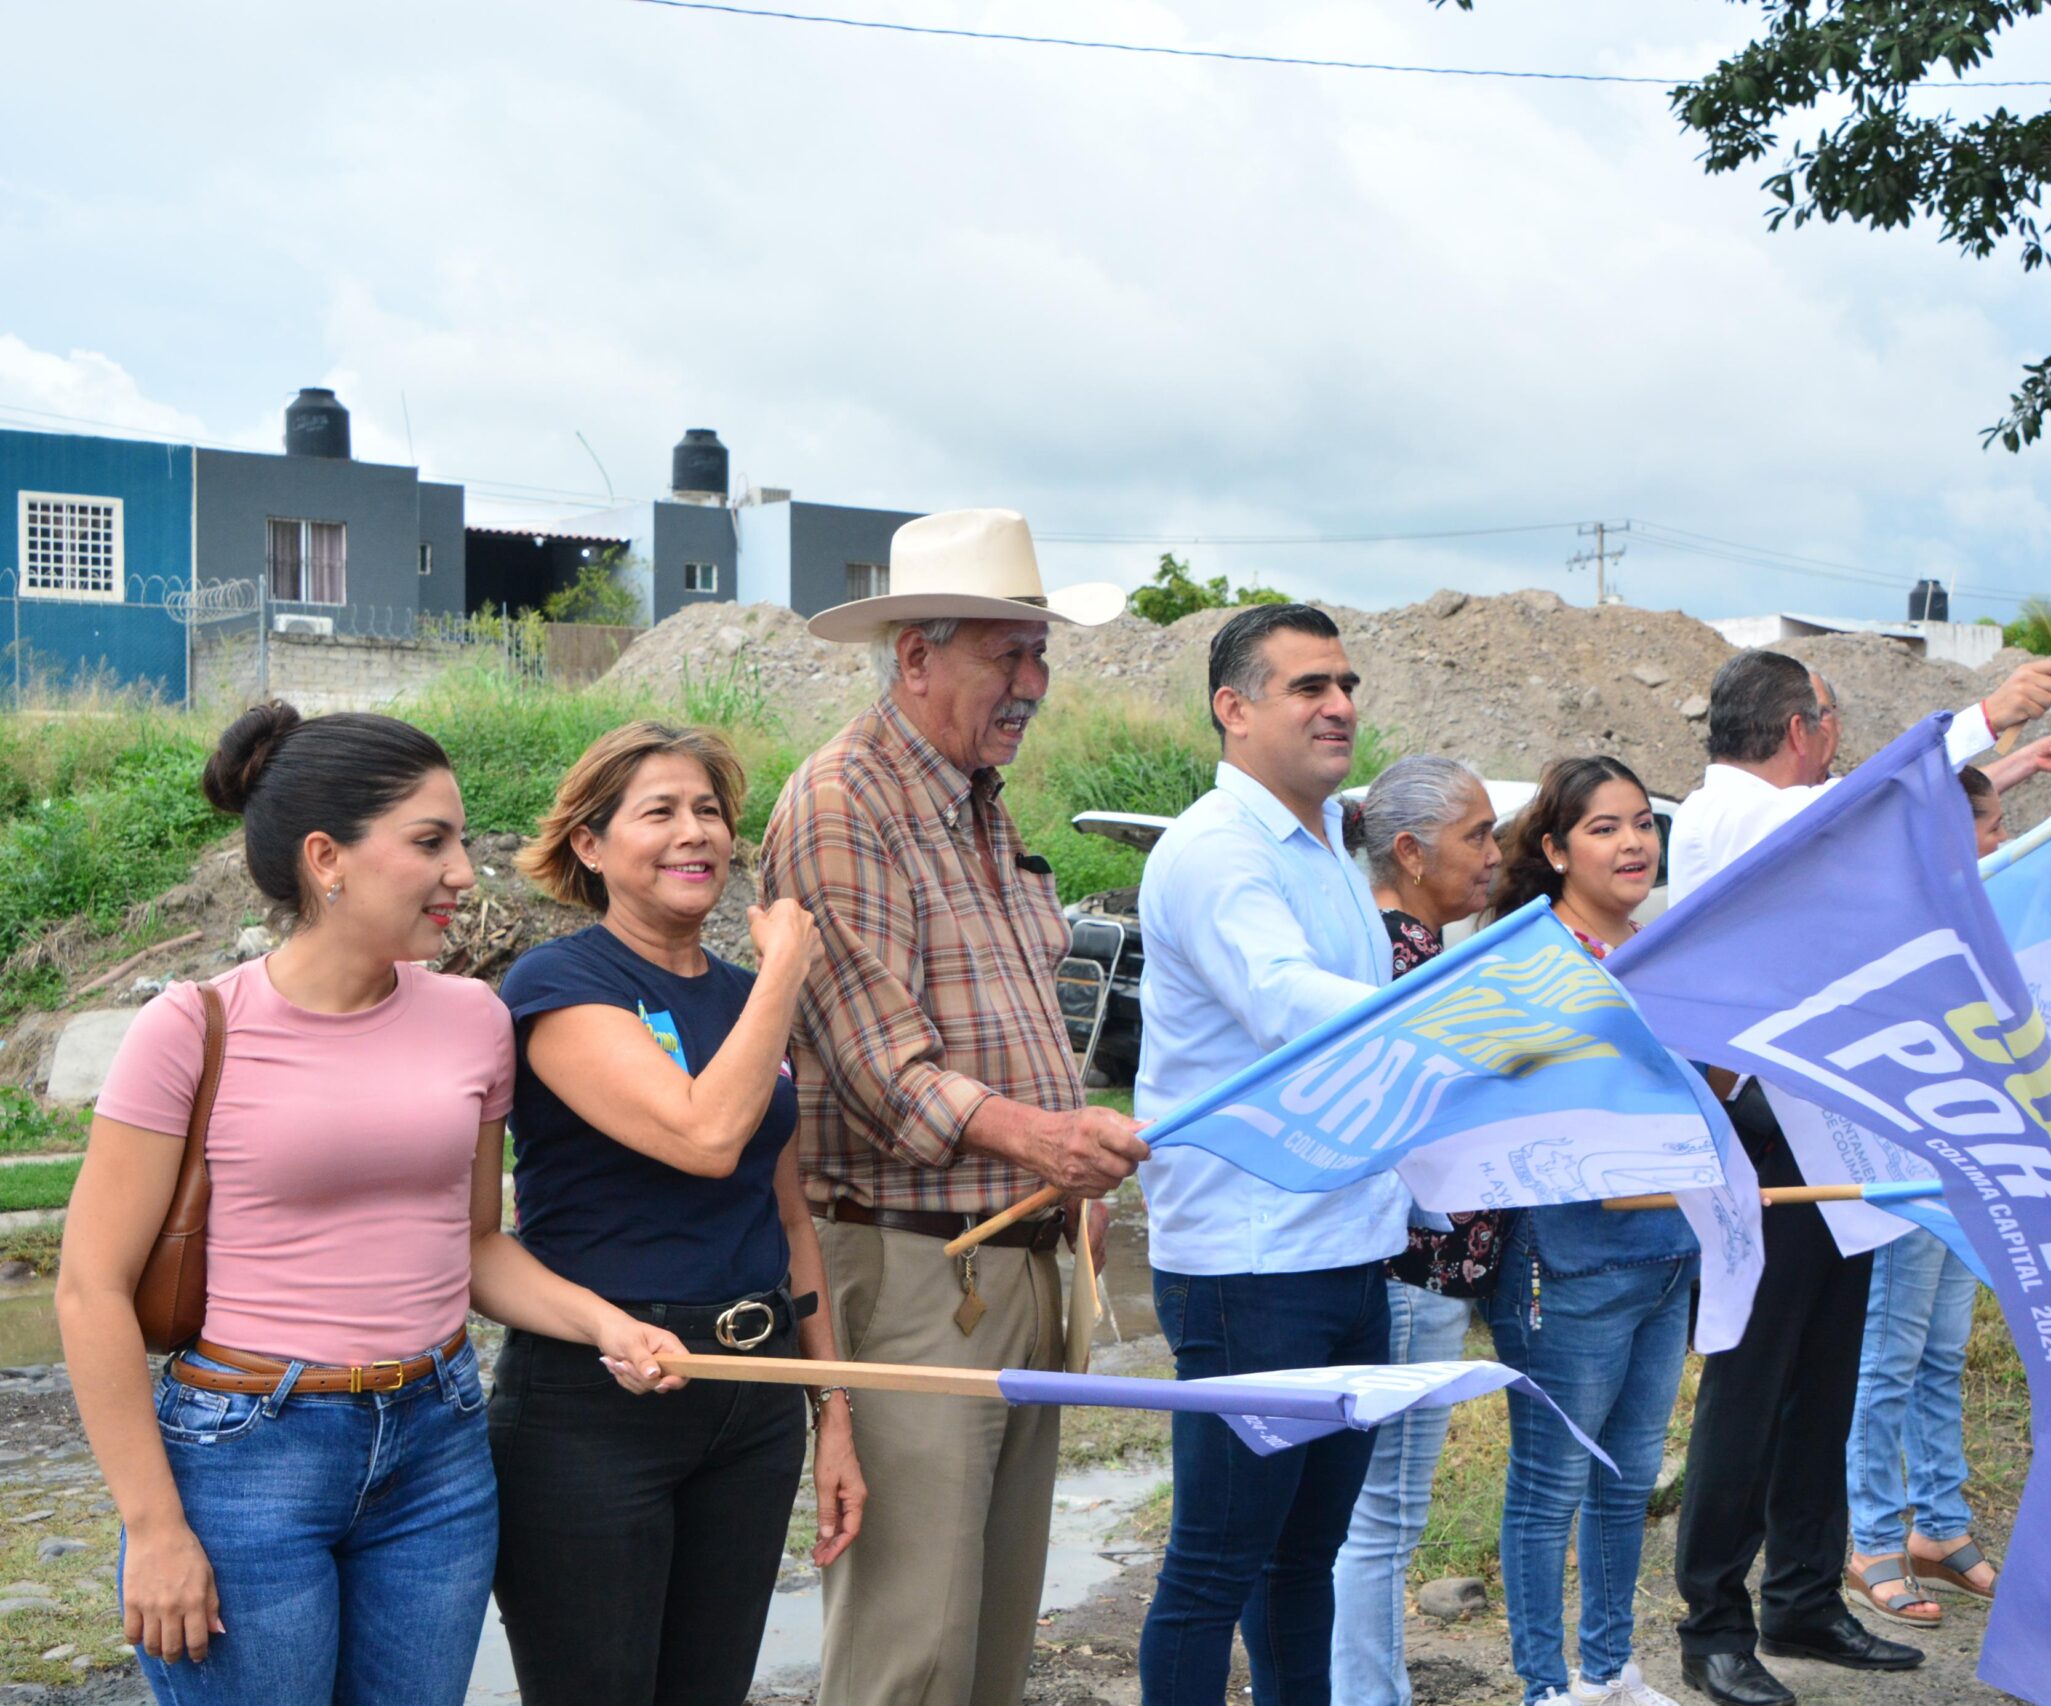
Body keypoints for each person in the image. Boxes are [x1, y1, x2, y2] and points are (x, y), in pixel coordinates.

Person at [56, 704, 685, 1706]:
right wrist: (153, 1525)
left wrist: (609, 1323)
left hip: (438, 1447)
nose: (465, 871)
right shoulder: (191, 1026)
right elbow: (91, 1288)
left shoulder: (473, 1019)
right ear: (326, 859)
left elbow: (474, 1244)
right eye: (430, 841)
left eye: (461, 841)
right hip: (246, 1453)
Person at [763, 508, 1149, 1706]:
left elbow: (1014, 1024)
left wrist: (1064, 1180)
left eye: (1039, 654)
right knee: (912, 1646)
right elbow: (881, 1067)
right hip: (913, 1271)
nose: (1031, 683)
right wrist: (1045, 1139)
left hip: (1012, 1257)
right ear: (915, 655)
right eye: (1005, 654)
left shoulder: (979, 801)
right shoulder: (844, 801)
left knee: (987, 1642)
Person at [1669, 649, 2051, 1706]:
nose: (1836, 745)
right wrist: (1985, 715)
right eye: (1832, 723)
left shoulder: (1777, 810)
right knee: (1751, 1392)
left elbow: (1881, 821)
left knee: (1823, 1383)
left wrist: (2003, 763)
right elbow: (1867, 810)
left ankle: (1803, 1595)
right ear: (1801, 728)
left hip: (1830, 1130)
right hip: (1764, 1133)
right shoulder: (1734, 814)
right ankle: (1713, 1623)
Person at [489, 722, 863, 1705]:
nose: (695, 832)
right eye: (659, 811)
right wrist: (785, 970)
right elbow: (705, 1135)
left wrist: (832, 1410)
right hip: (599, 1401)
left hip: (753, 1393)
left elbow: (787, 1218)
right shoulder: (560, 983)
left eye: (709, 811)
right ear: (590, 843)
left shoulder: (746, 995)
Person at [1135, 601, 1401, 1703]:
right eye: (1308, 687)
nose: (1338, 706)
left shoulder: (1328, 839)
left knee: (1303, 1560)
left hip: (1347, 1247)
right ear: (1233, 709)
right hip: (1253, 1267)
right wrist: (1451, 1016)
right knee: (1215, 1565)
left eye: (1345, 685)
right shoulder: (1216, 849)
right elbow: (1286, 1001)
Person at [1474, 756, 1698, 1706]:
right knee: (1551, 1482)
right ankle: (1544, 1685)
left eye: (1643, 822)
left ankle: (1609, 1671)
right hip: (1565, 1267)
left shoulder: (1667, 950)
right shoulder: (1527, 958)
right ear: (1557, 850)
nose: (1633, 842)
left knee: (1630, 1476)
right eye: (1604, 828)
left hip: (1669, 1254)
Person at [1329, 754, 1509, 1706]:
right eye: (1476, 836)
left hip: (1421, 1275)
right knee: (1383, 1516)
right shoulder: (1399, 965)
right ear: (1408, 851)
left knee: (1377, 1513)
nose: (1494, 854)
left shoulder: (1420, 954)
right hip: (1411, 1274)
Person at [1838, 767, 2008, 1631]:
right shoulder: (1885, 922)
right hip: (1901, 1169)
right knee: (1889, 1359)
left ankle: (1940, 1524)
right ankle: (1871, 1539)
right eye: (1987, 825)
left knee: (1942, 1352)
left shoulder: (1971, 916)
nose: (1999, 841)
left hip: (1961, 1163)